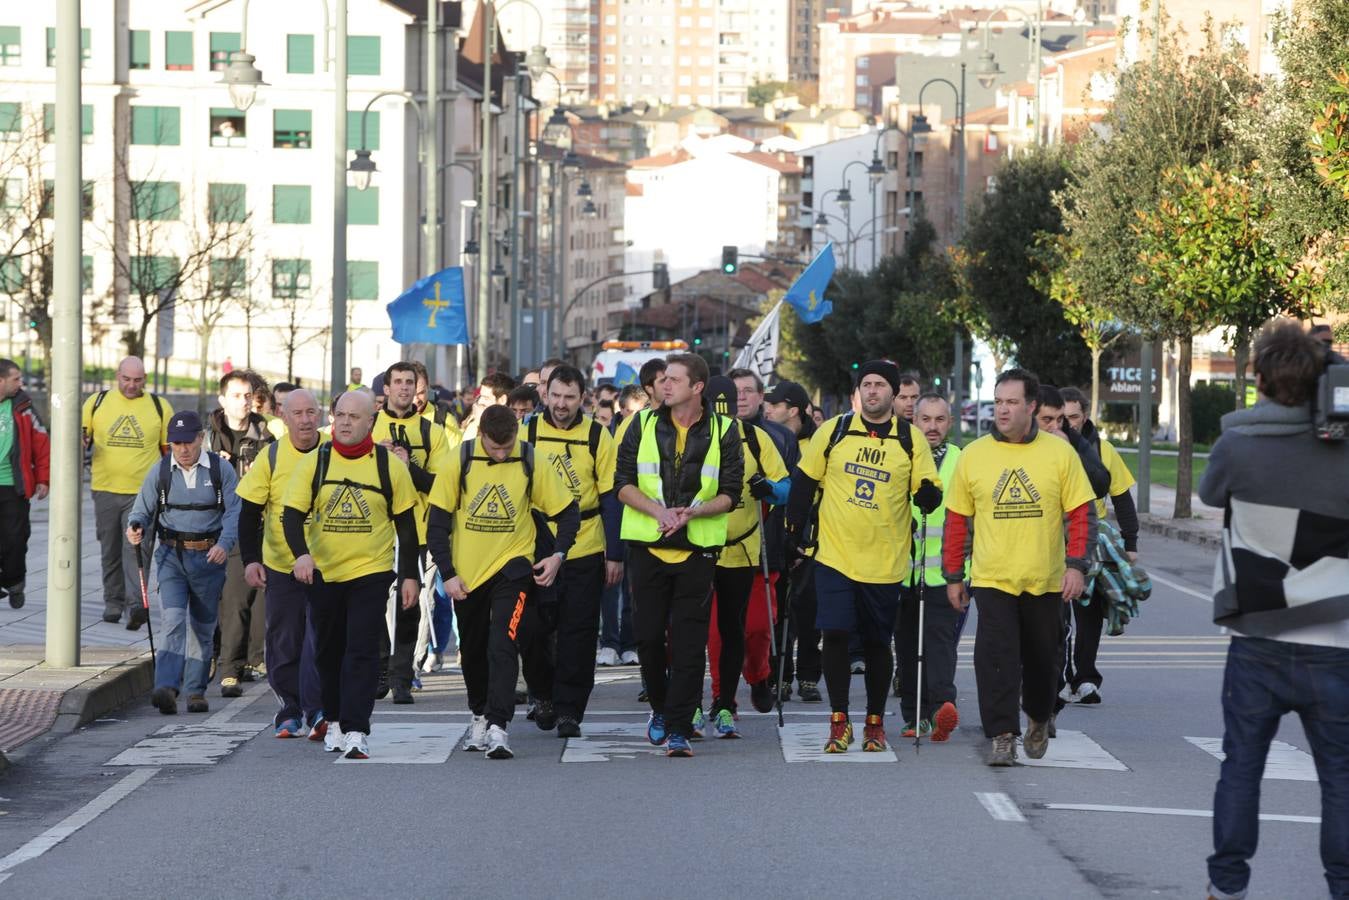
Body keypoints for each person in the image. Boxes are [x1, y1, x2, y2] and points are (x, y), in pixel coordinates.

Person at [1199, 321, 1348, 900]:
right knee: (1339, 779)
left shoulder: (1237, 445)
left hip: (1258, 636)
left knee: (1241, 768)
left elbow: (1213, 493)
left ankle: (1227, 886)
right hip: (1336, 642)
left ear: (1257, 378)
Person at [941, 368, 1096, 766]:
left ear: (1031, 406)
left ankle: (1039, 716)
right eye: (998, 402)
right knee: (995, 660)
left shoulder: (1059, 453)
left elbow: (1082, 514)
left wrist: (1076, 566)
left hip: (1045, 580)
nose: (1003, 410)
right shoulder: (975, 455)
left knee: (1044, 662)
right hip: (993, 579)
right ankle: (1002, 735)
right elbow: (957, 520)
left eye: (1012, 402)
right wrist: (954, 575)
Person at [786, 361, 941, 753]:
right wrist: (792, 533)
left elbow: (928, 485)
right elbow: (804, 483)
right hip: (836, 556)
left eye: (880, 386)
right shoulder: (834, 430)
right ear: (858, 392)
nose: (873, 391)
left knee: (876, 643)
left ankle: (874, 722)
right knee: (835, 634)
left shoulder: (909, 438)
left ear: (893, 394)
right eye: (866, 385)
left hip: (885, 561)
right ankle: (839, 721)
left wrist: (928, 495)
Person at [426, 405, 579, 759]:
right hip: (467, 573)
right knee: (474, 651)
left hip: (514, 567)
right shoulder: (459, 460)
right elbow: (437, 523)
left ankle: (498, 726)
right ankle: (479, 714)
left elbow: (567, 512)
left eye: (506, 446)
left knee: (503, 643)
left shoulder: (529, 458)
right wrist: (448, 573)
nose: (501, 453)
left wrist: (557, 555)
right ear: (480, 436)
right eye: (494, 448)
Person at [281, 390, 421, 760]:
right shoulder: (316, 462)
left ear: (370, 422)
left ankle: (357, 729)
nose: (344, 422)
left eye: (353, 417)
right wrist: (302, 556)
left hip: (370, 573)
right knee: (328, 653)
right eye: (339, 415)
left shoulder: (388, 466)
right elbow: (291, 515)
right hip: (324, 574)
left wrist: (410, 576)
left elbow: (406, 526)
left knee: (361, 651)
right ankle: (336, 720)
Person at [617, 353, 743, 757]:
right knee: (650, 639)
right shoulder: (641, 423)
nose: (663, 385)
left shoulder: (725, 430)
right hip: (648, 545)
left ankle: (678, 728)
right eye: (662, 379)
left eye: (673, 379)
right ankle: (659, 708)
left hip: (698, 549)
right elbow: (622, 483)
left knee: (690, 644)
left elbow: (730, 492)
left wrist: (692, 513)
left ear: (697, 387)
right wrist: (659, 512)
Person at [517, 366, 620, 738]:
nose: (561, 405)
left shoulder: (597, 435)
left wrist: (614, 552)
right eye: (556, 396)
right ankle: (541, 693)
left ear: (583, 398)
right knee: (531, 629)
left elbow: (610, 495)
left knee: (578, 632)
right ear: (545, 393)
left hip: (585, 545)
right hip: (535, 545)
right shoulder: (527, 430)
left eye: (570, 397)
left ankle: (569, 710)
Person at [127, 411, 241, 715]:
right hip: (171, 557)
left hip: (208, 558)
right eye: (175, 443)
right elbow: (142, 509)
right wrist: (136, 525)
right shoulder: (161, 471)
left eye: (187, 442)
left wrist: (223, 545)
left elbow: (234, 513)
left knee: (202, 629)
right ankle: (165, 686)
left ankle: (194, 691)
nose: (182, 449)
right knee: (174, 620)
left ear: (200, 439)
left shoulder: (221, 470)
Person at [237, 389, 326, 739]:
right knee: (285, 639)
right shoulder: (271, 457)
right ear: (283, 418)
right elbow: (248, 514)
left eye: (311, 412)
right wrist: (250, 561)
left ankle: (316, 707)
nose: (305, 420)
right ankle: (289, 707)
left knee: (319, 638)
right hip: (281, 564)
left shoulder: (333, 451)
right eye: (298, 413)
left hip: (327, 564)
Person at [704, 375, 790, 732]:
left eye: (743, 393)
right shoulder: (696, 437)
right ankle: (723, 701)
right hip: (702, 552)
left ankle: (758, 675)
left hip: (748, 553)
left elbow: (785, 489)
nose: (735, 400)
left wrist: (767, 488)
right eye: (729, 394)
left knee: (754, 630)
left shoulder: (758, 439)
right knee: (715, 635)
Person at [374, 361, 452, 703]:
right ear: (387, 389)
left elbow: (442, 485)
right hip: (372, 530)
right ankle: (378, 670)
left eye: (410, 382)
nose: (404, 388)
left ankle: (403, 675)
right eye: (398, 382)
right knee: (373, 602)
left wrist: (410, 466)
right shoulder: (368, 425)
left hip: (414, 531)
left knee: (409, 604)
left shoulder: (432, 431)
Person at [1058, 386, 1139, 706]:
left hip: (1093, 542)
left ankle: (1087, 678)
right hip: (1055, 541)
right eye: (1060, 417)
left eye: (1073, 417)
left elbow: (1122, 498)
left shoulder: (1104, 451)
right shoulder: (1045, 447)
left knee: (1089, 615)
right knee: (1058, 616)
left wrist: (1130, 543)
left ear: (1086, 416)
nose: (1067, 424)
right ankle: (1062, 677)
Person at [894, 394, 965, 741]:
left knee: (939, 645)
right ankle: (913, 716)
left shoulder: (961, 462)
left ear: (949, 423)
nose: (932, 427)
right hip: (901, 572)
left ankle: (941, 709)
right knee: (906, 647)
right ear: (914, 421)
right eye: (926, 419)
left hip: (945, 574)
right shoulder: (900, 458)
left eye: (939, 420)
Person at [82, 357, 172, 627]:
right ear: (116, 375)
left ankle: (136, 605)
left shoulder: (159, 407)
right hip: (105, 489)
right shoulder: (96, 402)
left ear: (145, 379)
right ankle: (113, 601)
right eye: (126, 379)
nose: (132, 385)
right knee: (109, 548)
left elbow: (169, 451)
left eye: (138, 380)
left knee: (137, 549)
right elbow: (81, 438)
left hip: (143, 495)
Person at [205, 370, 276, 698]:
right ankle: (229, 668)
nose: (244, 402)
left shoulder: (266, 435)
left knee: (262, 595)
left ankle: (254, 659)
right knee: (234, 597)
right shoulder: (210, 438)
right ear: (223, 400)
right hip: (225, 527)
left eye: (248, 396)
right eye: (236, 396)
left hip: (263, 521)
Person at [763, 379, 822, 702]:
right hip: (776, 536)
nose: (767, 409)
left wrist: (803, 534)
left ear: (794, 410)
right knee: (777, 608)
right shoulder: (771, 441)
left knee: (808, 609)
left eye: (774, 404)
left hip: (811, 538)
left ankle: (809, 676)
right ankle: (779, 675)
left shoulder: (818, 442)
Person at [0, 360, 49, 609]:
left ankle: (15, 582)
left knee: (15, 538)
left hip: (13, 484)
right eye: (16, 379)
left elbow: (41, 442)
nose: (21, 383)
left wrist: (43, 478)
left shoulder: (23, 406)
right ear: (1, 380)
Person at [462, 372, 516, 442]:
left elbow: (468, 448)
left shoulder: (509, 428)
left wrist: (478, 421)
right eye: (480, 396)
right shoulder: (476, 418)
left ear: (502, 400)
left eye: (486, 398)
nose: (480, 401)